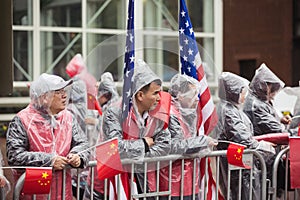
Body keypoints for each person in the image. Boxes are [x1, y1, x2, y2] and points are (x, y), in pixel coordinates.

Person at [6, 73, 90, 200]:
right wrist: (49, 161)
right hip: (34, 196)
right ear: (45, 97)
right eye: (58, 91)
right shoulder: (22, 120)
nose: (65, 95)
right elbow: (14, 156)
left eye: (64, 91)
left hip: (63, 195)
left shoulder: (68, 118)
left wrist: (78, 156)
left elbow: (82, 143)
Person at [102, 59, 171, 196]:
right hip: (117, 183)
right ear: (140, 95)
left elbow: (165, 145)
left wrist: (138, 157)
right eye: (155, 93)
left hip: (145, 182)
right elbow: (114, 147)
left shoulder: (157, 113)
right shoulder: (114, 112)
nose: (159, 98)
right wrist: (144, 144)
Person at [213, 72, 276, 200]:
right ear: (233, 91)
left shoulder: (229, 108)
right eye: (242, 91)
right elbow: (242, 139)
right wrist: (262, 146)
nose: (244, 95)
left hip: (238, 166)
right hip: (238, 167)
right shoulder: (228, 111)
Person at [159, 74, 216, 199]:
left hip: (189, 181)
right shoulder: (171, 114)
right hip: (173, 184)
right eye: (193, 94)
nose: (197, 99)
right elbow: (174, 146)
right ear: (180, 95)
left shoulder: (186, 113)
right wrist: (203, 141)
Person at [83, 72, 121, 200]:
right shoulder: (111, 107)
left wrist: (96, 122)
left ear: (105, 95)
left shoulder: (112, 109)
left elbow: (107, 134)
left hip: (105, 168)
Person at [243, 63, 297, 136]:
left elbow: (268, 119)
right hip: (264, 144)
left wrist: (280, 119)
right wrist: (296, 131)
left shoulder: (259, 100)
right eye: (272, 88)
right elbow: (278, 130)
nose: (273, 93)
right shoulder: (256, 106)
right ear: (262, 86)